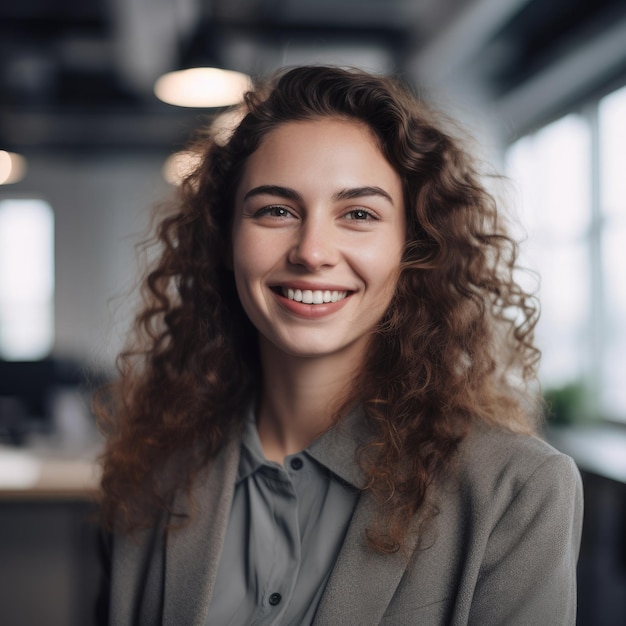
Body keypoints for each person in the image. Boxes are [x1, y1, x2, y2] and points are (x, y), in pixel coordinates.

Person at [96, 65, 583, 625]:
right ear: (226, 239)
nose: (312, 250)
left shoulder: (517, 490)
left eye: (358, 214)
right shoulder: (152, 472)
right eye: (275, 210)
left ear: (411, 248)